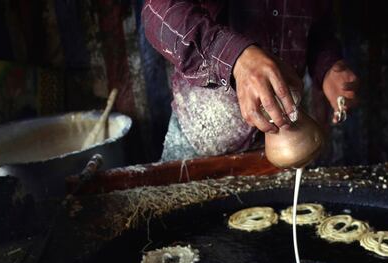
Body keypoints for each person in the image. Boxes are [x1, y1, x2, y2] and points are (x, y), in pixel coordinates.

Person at [142, 0, 358, 161]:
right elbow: (158, 12)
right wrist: (238, 58)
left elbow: (319, 27)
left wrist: (329, 67)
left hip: (286, 135)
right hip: (202, 140)